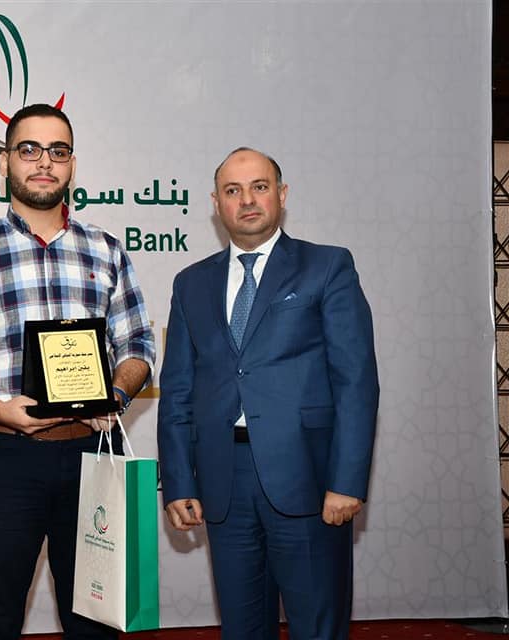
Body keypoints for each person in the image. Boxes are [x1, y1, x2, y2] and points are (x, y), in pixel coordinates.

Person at [0, 104, 155, 640]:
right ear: (5, 162)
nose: (44, 162)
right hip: (3, 458)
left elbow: (139, 345)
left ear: (72, 164)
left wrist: (116, 394)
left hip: (93, 456)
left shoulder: (106, 250)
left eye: (58, 151)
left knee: (96, 619)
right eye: (29, 150)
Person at [157, 147, 379, 640]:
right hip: (223, 482)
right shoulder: (190, 283)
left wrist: (347, 481)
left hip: (308, 478)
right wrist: (179, 481)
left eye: (259, 187)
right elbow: (177, 391)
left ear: (281, 194)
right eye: (232, 190)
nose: (247, 200)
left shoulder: (327, 266)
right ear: (216, 203)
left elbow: (356, 382)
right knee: (241, 628)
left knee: (317, 627)